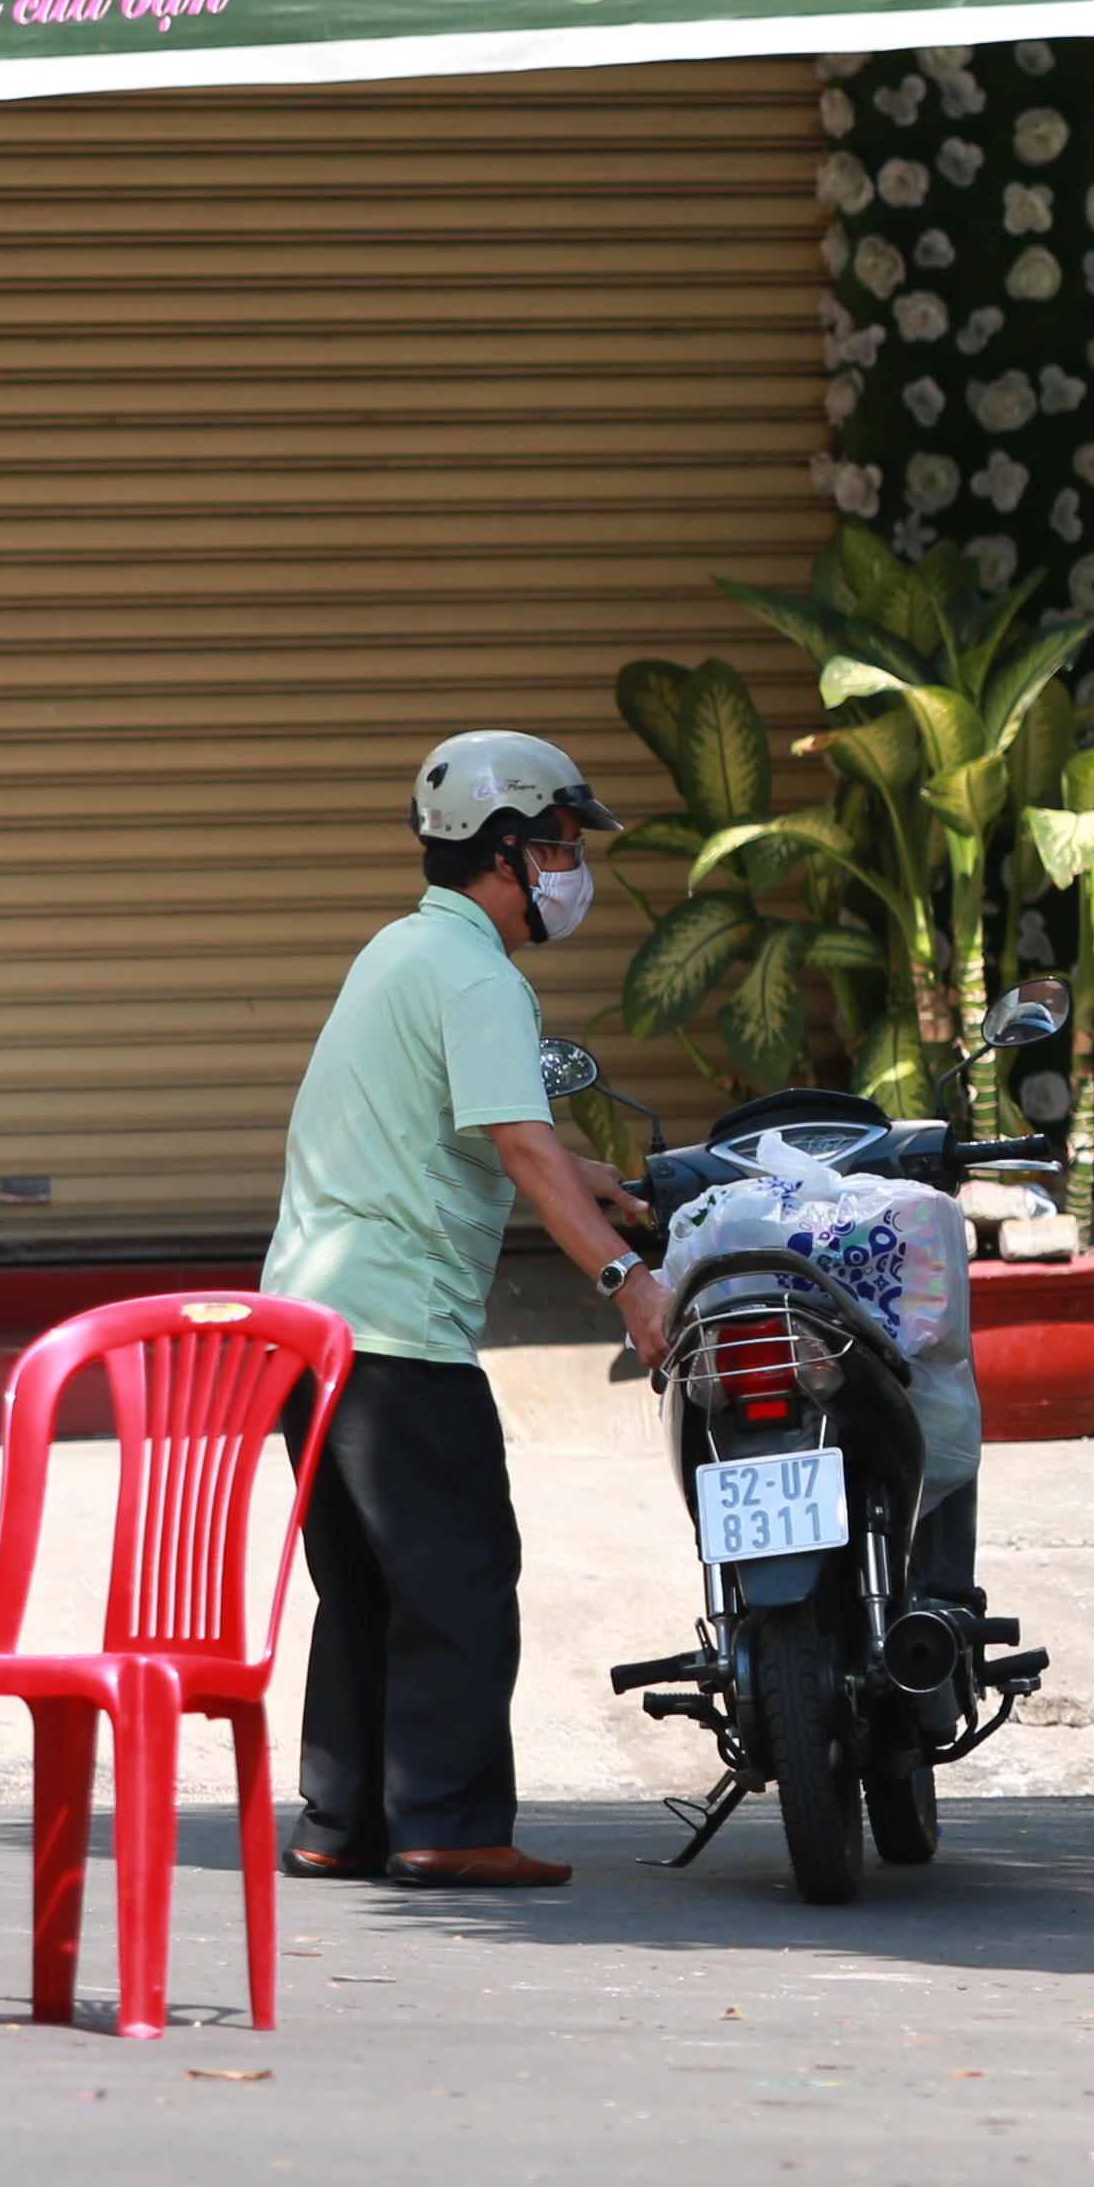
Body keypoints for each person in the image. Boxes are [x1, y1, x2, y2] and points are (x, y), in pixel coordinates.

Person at [263, 730, 673, 1891]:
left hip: (305, 1325)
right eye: (559, 845)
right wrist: (628, 1284)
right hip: (398, 1335)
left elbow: (478, 1135)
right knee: (458, 1578)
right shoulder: (486, 974)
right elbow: (522, 1147)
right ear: (506, 850)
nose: (568, 869)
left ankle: (342, 1822)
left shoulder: (398, 953)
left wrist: (603, 1187)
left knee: (364, 1587)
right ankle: (447, 1824)